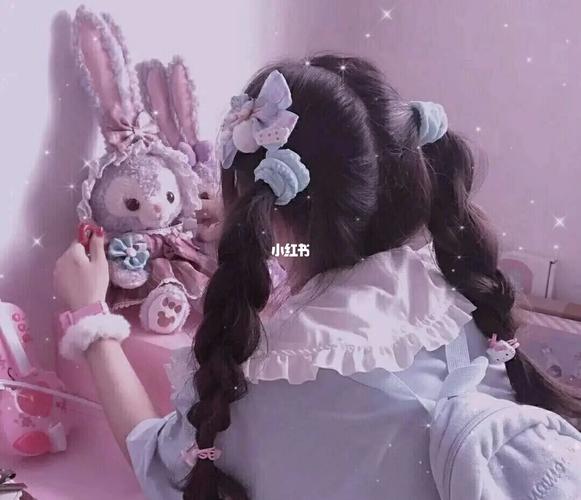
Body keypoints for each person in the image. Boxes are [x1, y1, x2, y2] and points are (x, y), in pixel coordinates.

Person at [53, 55, 581, 500]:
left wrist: (93, 319)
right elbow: (307, 249)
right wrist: (248, 247)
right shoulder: (456, 287)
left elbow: (156, 464)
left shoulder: (253, 385)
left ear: (259, 205)